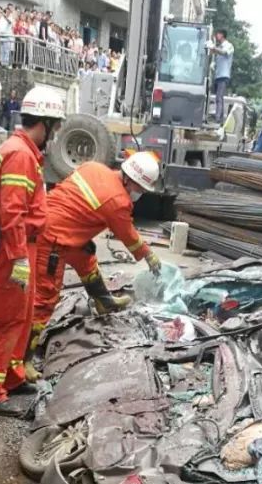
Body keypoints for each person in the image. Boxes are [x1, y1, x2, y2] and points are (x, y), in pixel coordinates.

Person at [26, 153, 165, 379]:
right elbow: (128, 235)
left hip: (57, 224)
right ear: (129, 180)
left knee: (86, 257)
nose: (140, 193)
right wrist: (148, 255)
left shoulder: (94, 167)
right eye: (140, 188)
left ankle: (104, 302)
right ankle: (24, 361)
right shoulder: (117, 201)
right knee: (45, 299)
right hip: (52, 239)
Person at [0, 85, 64, 416]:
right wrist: (18, 258)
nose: (53, 136)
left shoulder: (25, 152)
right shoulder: (19, 155)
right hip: (10, 250)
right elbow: (11, 213)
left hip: (23, 246)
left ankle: (11, 378)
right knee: (0, 320)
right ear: (42, 123)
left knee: (20, 318)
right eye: (53, 128)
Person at [207, 29, 234, 124]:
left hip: (224, 75)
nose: (217, 35)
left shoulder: (229, 46)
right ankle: (219, 117)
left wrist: (213, 48)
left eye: (218, 34)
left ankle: (218, 118)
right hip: (218, 76)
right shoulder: (219, 47)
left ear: (222, 35)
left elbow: (224, 52)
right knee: (218, 97)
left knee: (219, 97)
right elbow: (213, 54)